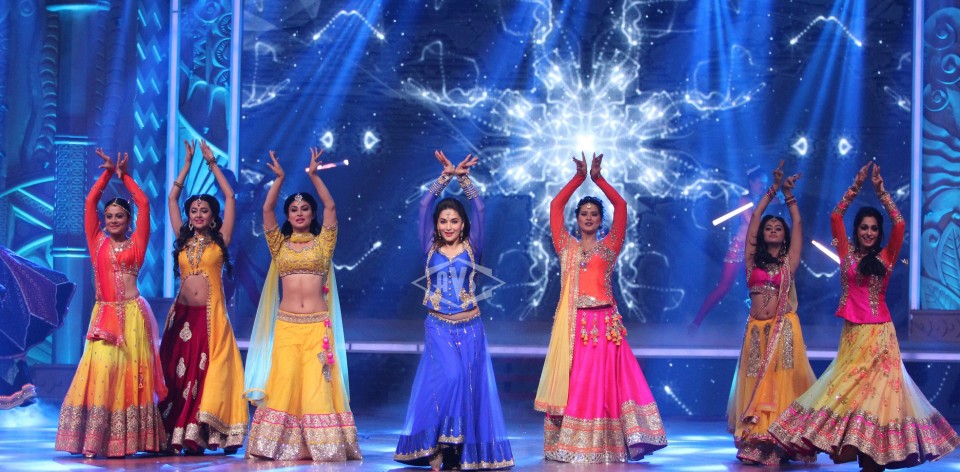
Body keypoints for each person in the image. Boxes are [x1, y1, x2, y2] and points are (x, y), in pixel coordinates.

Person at [770, 162, 960, 470]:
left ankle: (876, 456)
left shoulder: (887, 256)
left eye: (873, 228)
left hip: (881, 335)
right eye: (864, 227)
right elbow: (835, 217)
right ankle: (859, 450)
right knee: (850, 391)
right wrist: (856, 187)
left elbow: (900, 225)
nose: (869, 232)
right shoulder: (845, 252)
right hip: (853, 335)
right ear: (856, 231)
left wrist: (882, 192)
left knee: (880, 397)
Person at [535, 152, 667, 463]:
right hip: (574, 326)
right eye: (584, 213)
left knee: (605, 385)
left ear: (600, 219)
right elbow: (555, 206)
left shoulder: (610, 246)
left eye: (594, 214)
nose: (589, 217)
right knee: (579, 384)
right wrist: (578, 179)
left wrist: (599, 179)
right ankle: (574, 442)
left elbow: (621, 206)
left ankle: (611, 442)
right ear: (577, 218)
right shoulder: (565, 246)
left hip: (605, 326)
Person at [394, 150, 514, 470]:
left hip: (471, 327)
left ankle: (455, 451)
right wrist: (444, 178)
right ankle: (443, 446)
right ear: (437, 225)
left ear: (463, 225)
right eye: (443, 221)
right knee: (452, 378)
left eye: (454, 221)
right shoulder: (429, 247)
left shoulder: (473, 247)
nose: (448, 226)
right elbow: (423, 205)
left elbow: (481, 208)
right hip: (438, 326)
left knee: (469, 388)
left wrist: (464, 181)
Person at [243, 147, 361, 461]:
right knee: (284, 381)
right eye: (293, 209)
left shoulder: (324, 243)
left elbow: (331, 206)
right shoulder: (278, 244)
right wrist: (279, 179)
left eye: (305, 209)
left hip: (317, 327)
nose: (299, 213)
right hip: (287, 325)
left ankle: (323, 446)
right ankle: (277, 445)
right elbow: (267, 209)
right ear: (288, 216)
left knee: (316, 385)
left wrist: (314, 176)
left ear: (311, 215)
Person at [55, 149, 167, 457]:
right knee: (103, 373)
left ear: (129, 221)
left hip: (133, 317)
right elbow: (90, 202)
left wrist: (125, 176)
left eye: (119, 216)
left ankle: (130, 441)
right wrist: (106, 174)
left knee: (131, 377)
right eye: (109, 216)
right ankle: (95, 440)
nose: (114, 220)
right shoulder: (97, 241)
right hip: (104, 315)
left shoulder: (137, 243)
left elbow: (144, 204)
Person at [159, 140, 247, 453]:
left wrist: (212, 164)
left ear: (213, 216)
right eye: (194, 211)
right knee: (177, 376)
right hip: (182, 318)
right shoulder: (182, 239)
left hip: (210, 319)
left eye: (204, 211)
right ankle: (177, 433)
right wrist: (186, 164)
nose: (198, 214)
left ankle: (203, 433)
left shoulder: (220, 240)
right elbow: (172, 198)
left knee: (207, 376)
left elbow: (230, 197)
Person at [726, 161, 816, 465]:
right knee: (753, 379)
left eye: (778, 228)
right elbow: (753, 219)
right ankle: (757, 438)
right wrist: (772, 189)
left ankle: (780, 442)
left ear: (784, 235)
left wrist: (789, 196)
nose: (773, 230)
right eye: (769, 227)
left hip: (785, 330)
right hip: (756, 330)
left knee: (784, 381)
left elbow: (798, 224)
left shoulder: (789, 262)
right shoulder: (752, 260)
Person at [690, 167, 768, 332]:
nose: (763, 186)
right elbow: (753, 223)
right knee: (723, 287)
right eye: (760, 182)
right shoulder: (745, 200)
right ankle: (696, 323)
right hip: (740, 248)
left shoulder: (763, 201)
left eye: (765, 183)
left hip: (756, 251)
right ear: (751, 182)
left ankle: (763, 327)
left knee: (761, 287)